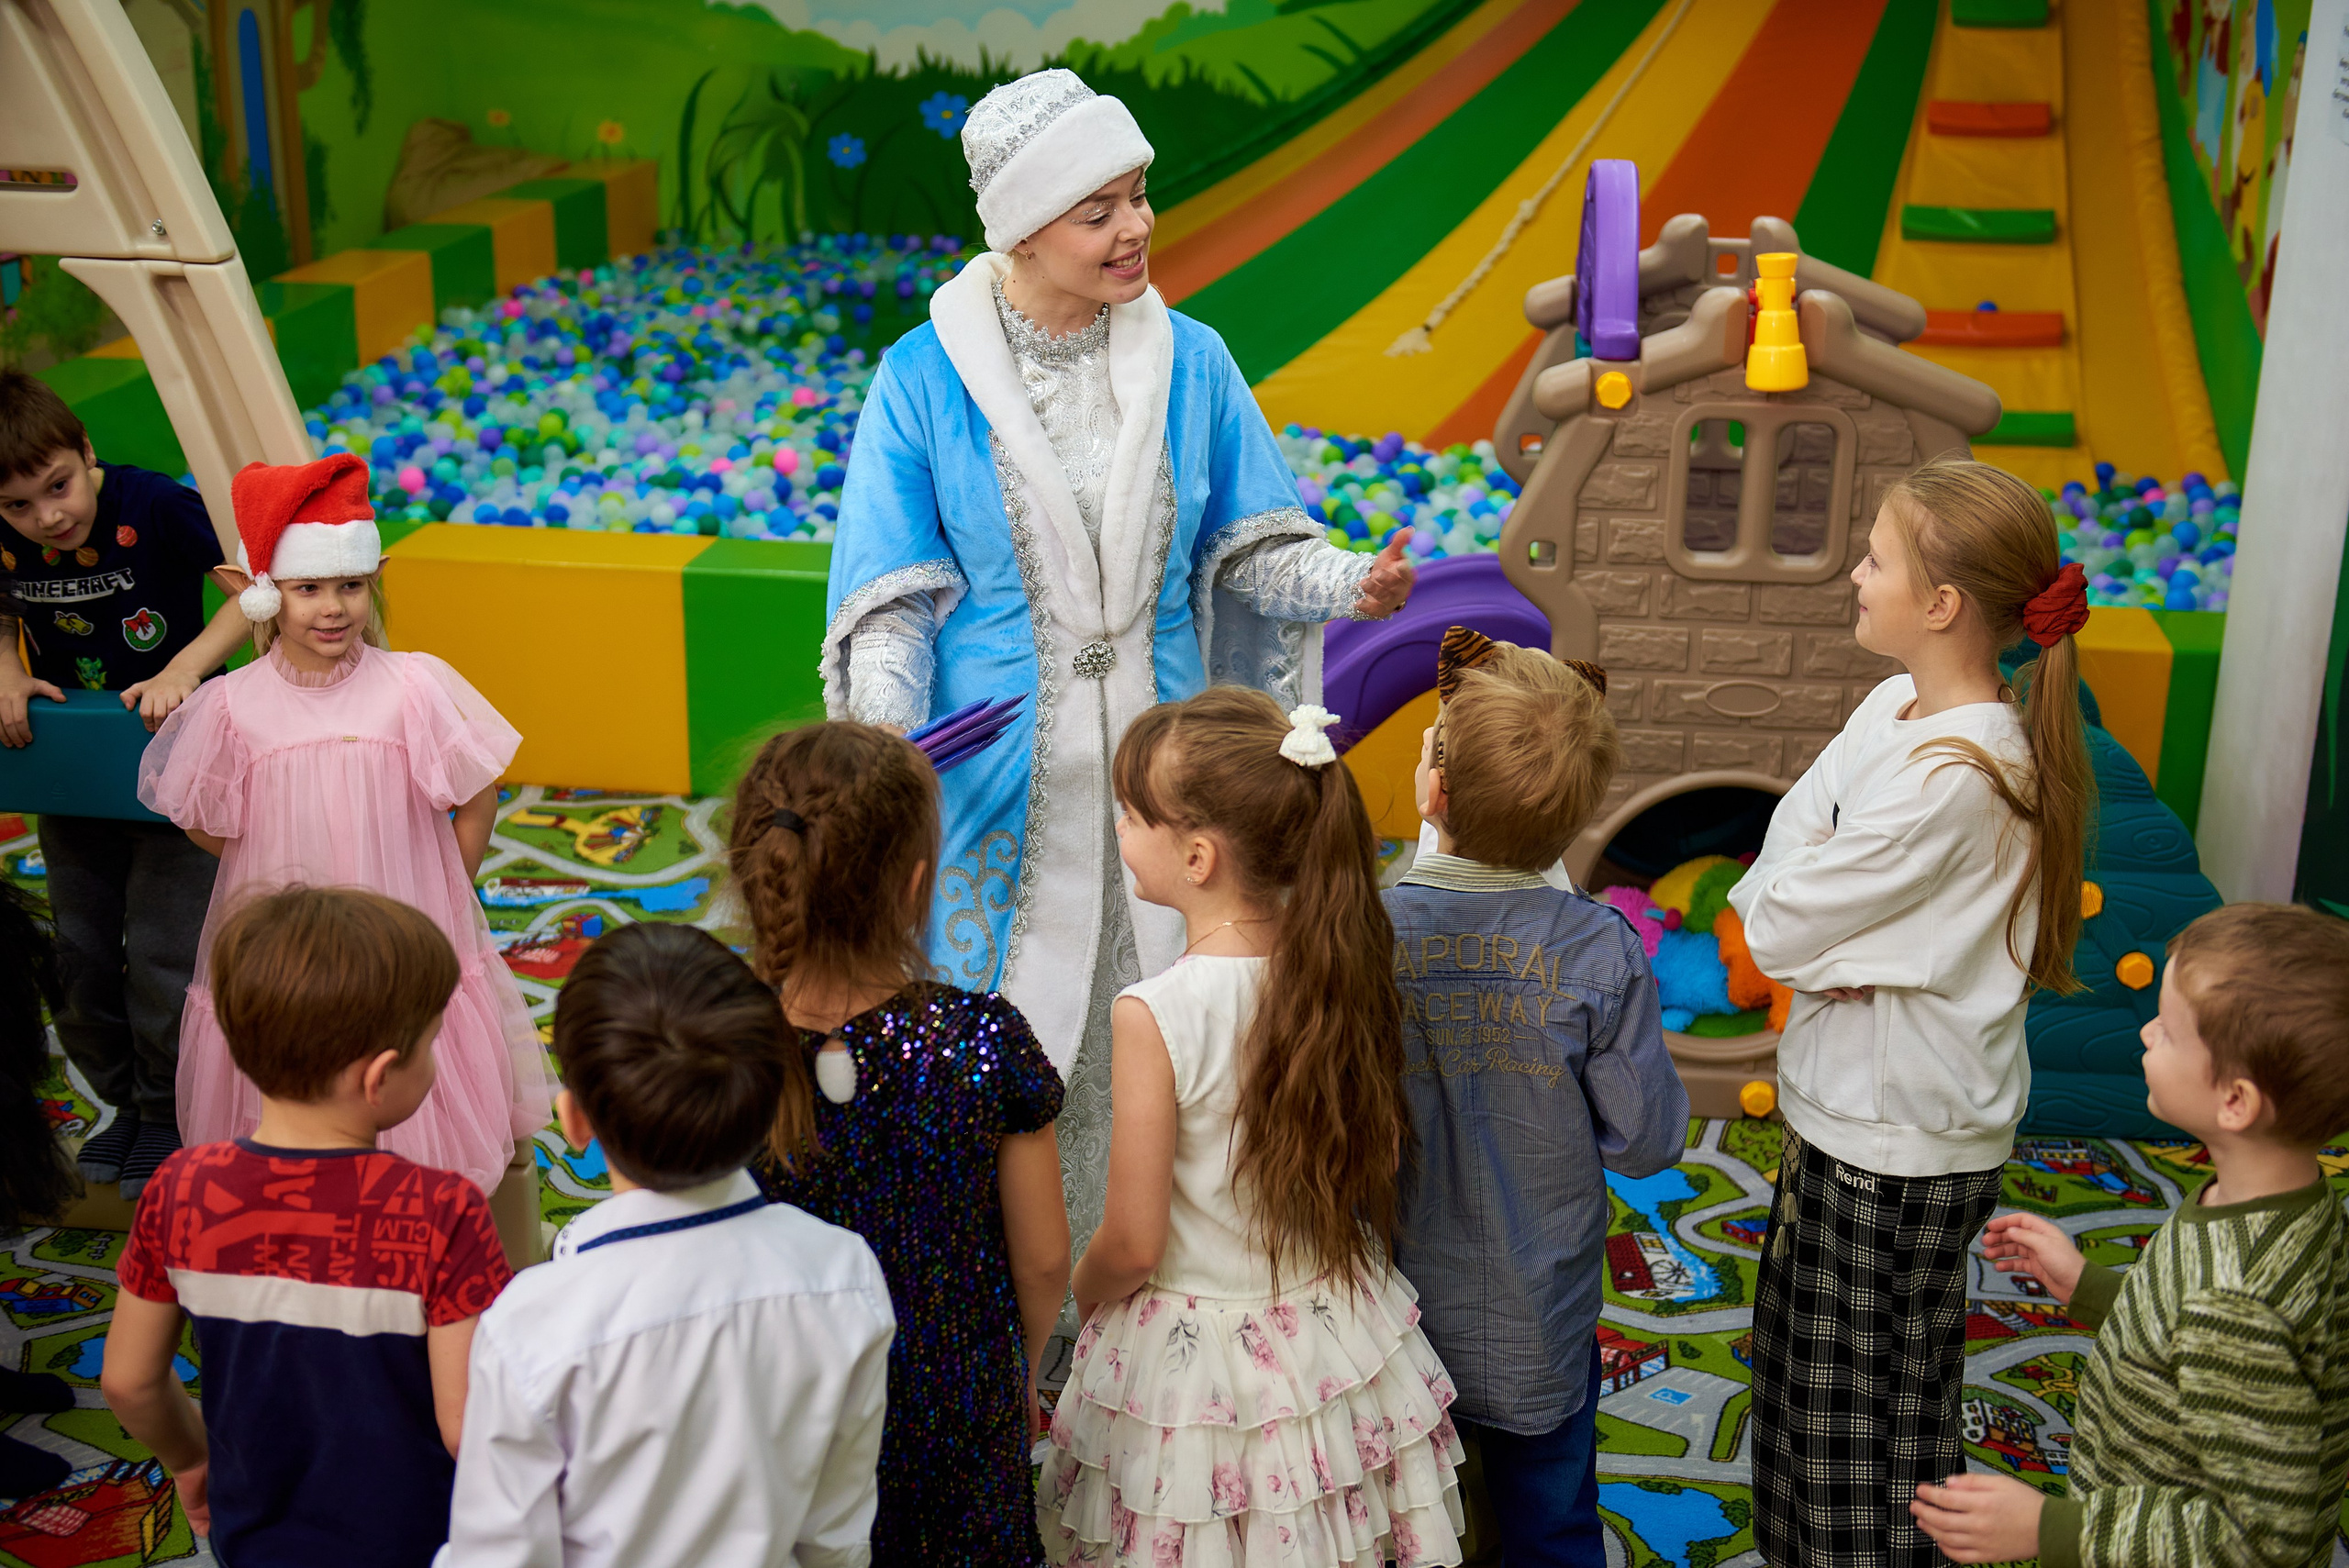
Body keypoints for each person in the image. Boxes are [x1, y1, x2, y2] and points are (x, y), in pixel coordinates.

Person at [825, 67, 1416, 1285]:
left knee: (1181, 1039)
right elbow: (891, 605)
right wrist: (885, 755)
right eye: (1098, 209)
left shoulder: (1193, 362)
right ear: (1022, 228)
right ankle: (1011, 1311)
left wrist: (1354, 582)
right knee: (1007, 1051)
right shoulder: (921, 380)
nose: (1137, 227)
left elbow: (1256, 550)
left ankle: (1164, 1299)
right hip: (994, 790)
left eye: (1140, 196)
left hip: (1175, 778)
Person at [1724, 457, 2094, 1568]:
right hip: (1847, 1117)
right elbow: (1785, 854)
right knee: (1802, 1384)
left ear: (1939, 606)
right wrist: (1816, 904)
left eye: (1875, 557)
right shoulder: (1894, 703)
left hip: (1894, 1147)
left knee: (1861, 1426)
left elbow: (1783, 929)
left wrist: (1811, 911)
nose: (1854, 570)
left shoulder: (1956, 774)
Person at [1036, 686, 1465, 1567]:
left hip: (1191, 1370)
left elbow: (1134, 1239)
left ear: (1195, 856)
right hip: (1335, 1336)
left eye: (1130, 813)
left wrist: (1078, 1294)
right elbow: (1375, 1155)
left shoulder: (1153, 1010)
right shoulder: (1344, 964)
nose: (1119, 828)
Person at [138, 453, 551, 1264]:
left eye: (351, 587)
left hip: (406, 935)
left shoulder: (414, 687)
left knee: (421, 1114)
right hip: (286, 949)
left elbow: (476, 794)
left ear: (375, 581)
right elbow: (205, 824)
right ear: (260, 591)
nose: (333, 608)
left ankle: (444, 1264)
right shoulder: (231, 707)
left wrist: (443, 891)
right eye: (308, 589)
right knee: (300, 1113)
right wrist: (274, 850)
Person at [439, 921, 896, 1568]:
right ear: (768, 1107)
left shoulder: (529, 1325)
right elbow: (836, 1536)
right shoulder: (844, 1273)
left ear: (575, 1122)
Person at [1912, 901, 2349, 1566]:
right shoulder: (2287, 1204)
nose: (2146, 1035)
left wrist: (2055, 1530)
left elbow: (2262, 1540)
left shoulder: (2237, 1301)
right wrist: (2090, 1288)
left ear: (2236, 1100)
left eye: (2169, 1032)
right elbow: (2192, 1335)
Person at [734, 722, 1069, 1565]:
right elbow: (1042, 1263)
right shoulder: (984, 1040)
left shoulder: (715, 1048)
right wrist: (1009, 1371)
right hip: (952, 1407)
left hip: (772, 1406)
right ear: (919, 882)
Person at [1386, 628, 1687, 1565]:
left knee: (1400, 1521)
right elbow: (1646, 1140)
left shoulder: (1363, 925)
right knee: (1549, 1523)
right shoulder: (1598, 947)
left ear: (1432, 790)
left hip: (1385, 1322)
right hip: (1536, 1321)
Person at [101, 885, 511, 1567]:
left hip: (252, 1531)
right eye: (432, 1042)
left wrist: (193, 1457)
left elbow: (128, 1381)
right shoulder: (442, 1212)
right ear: (380, 1075)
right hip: (416, 1539)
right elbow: (468, 1425)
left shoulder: (181, 1191)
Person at [0, 367, 250, 1198]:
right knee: (78, 953)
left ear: (85, 450)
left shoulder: (153, 505)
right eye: (21, 506)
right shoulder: (8, 533)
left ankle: (169, 1110)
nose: (49, 518)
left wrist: (185, 667)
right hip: (82, 781)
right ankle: (124, 1107)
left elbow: (250, 594)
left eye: (59, 486)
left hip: (181, 773)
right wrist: (6, 666)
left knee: (162, 957)